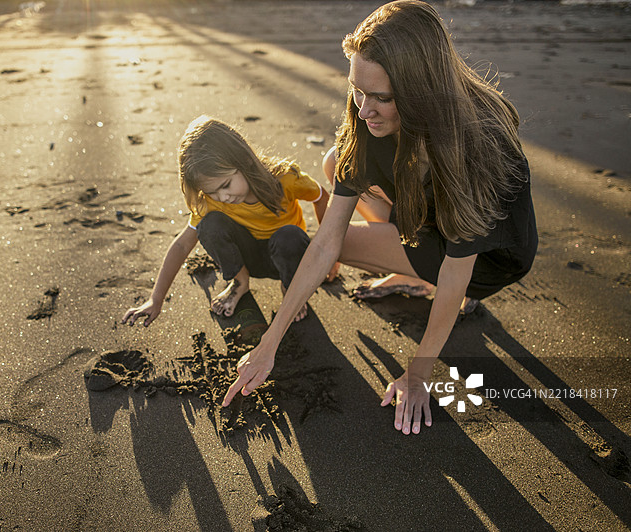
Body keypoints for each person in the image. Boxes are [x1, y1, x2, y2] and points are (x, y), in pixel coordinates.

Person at [222, 0, 537, 435]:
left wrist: (419, 373)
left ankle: (413, 272)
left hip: (484, 261)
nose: (363, 108)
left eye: (382, 98)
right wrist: (269, 342)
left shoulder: (478, 146)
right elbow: (324, 240)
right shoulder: (368, 116)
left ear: (421, 91)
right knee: (338, 163)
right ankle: (408, 266)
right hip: (432, 220)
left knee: (352, 244)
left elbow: (455, 274)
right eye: (357, 89)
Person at [122, 115, 331, 327]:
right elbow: (183, 244)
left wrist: (330, 255)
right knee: (209, 225)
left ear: (244, 160)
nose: (223, 197)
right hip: (247, 258)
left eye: (226, 185)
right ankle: (239, 282)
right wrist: (155, 300)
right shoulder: (212, 202)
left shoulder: (285, 178)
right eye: (212, 192)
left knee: (289, 236)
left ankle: (291, 290)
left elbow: (322, 198)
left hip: (289, 257)